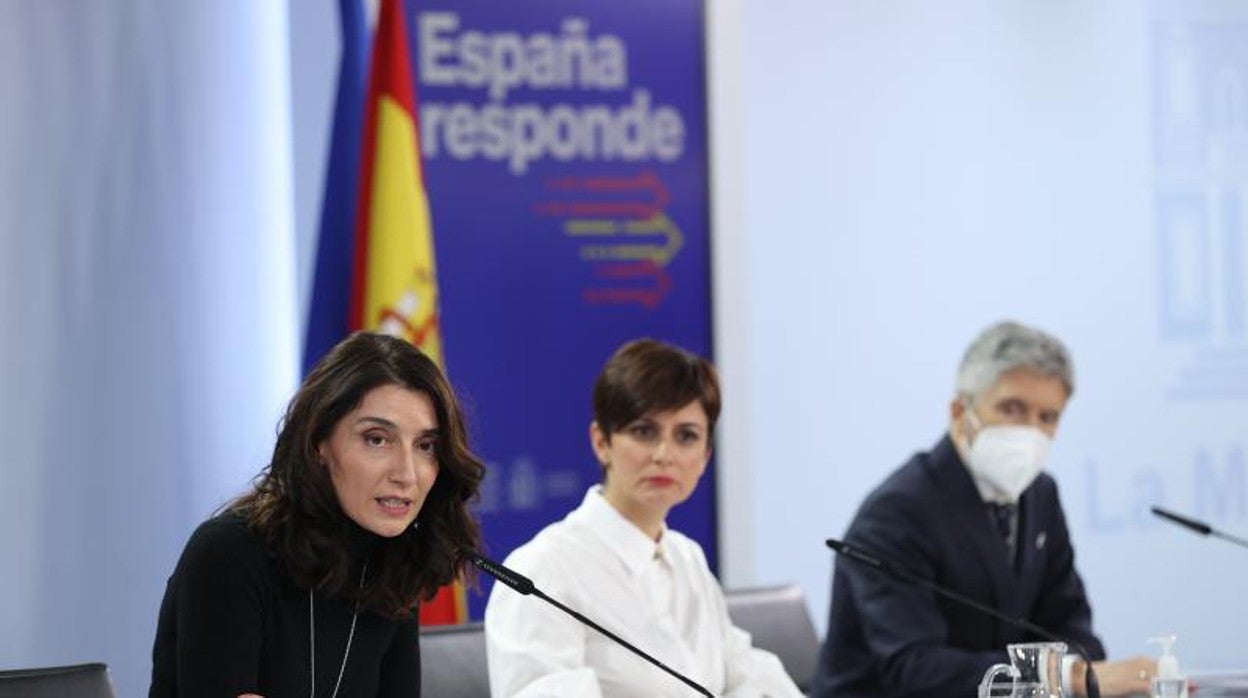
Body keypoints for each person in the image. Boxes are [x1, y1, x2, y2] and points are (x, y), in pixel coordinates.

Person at [810, 321, 1155, 697]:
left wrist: (1071, 669)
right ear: (960, 411)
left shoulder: (1040, 494)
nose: (1030, 432)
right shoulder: (897, 513)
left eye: (1048, 417)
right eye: (1012, 409)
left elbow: (1072, 630)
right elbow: (916, 670)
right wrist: (1058, 676)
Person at [150, 332, 485, 697]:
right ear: (318, 444)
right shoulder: (229, 553)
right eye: (377, 439)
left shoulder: (391, 567)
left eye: (425, 446)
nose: (406, 473)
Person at [484, 339, 802, 697]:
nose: (664, 454)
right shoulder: (543, 571)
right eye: (644, 431)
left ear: (706, 454)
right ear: (601, 442)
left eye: (687, 436)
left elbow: (751, 676)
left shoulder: (687, 559)